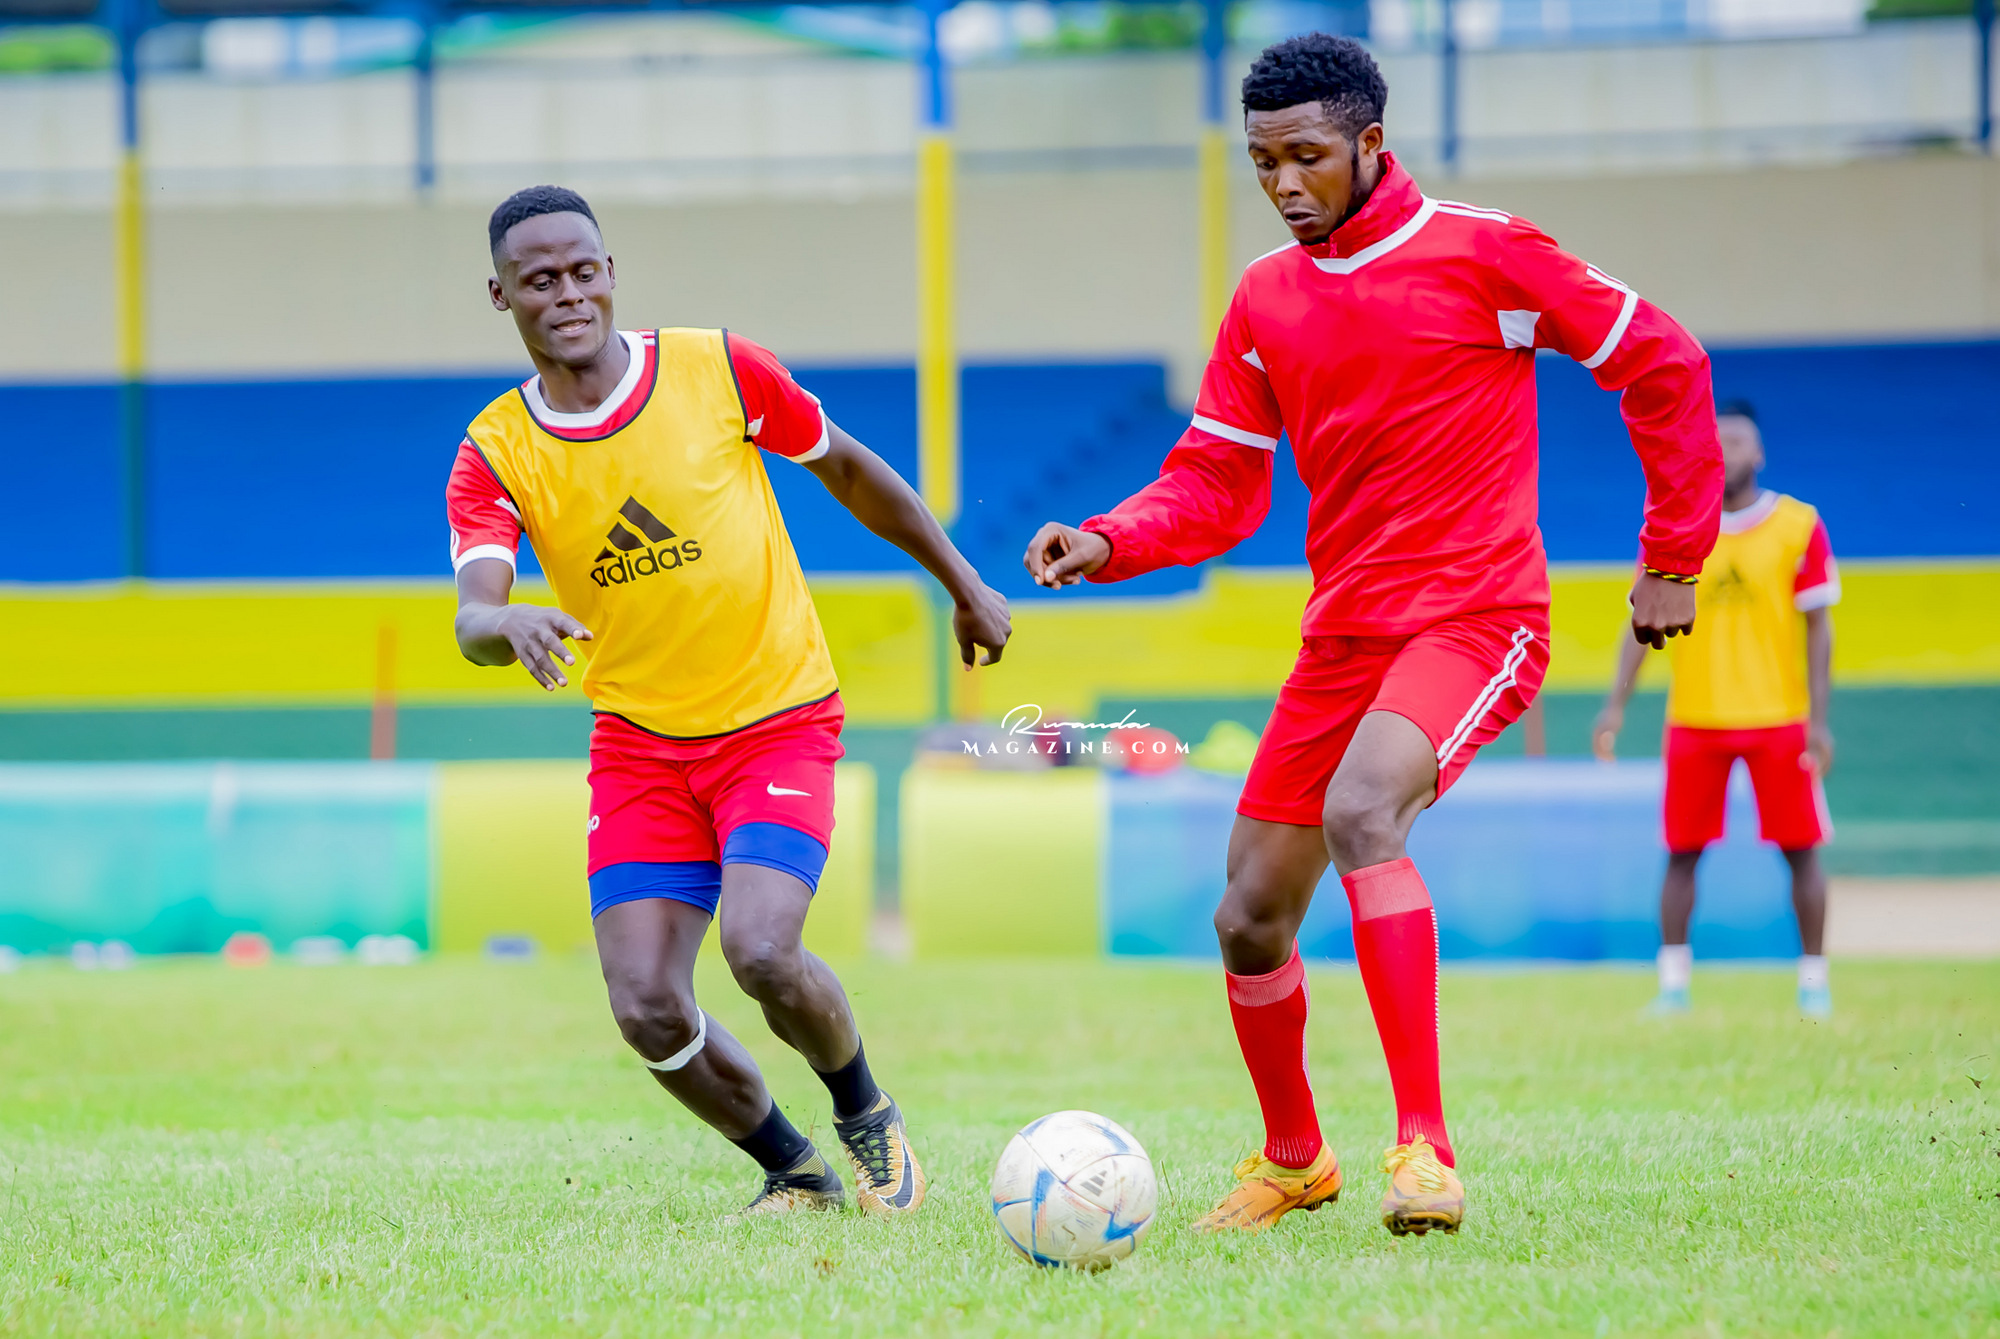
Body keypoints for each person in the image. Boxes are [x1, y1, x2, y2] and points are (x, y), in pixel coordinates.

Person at [1025, 35, 1722, 1236]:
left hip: (1474, 615)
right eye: (1260, 163)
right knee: (1246, 913)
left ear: (1369, 146)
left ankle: (1423, 1152)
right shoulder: (1264, 299)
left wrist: (1670, 557)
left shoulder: (1484, 251)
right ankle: (1295, 1158)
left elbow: (1662, 362)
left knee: (1362, 812)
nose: (1284, 183)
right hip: (1343, 635)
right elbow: (1216, 482)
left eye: (1304, 156)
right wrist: (1107, 539)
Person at [446, 186, 1011, 1216]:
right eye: (540, 280)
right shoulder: (495, 451)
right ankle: (793, 1169)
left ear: (611, 272)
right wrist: (509, 624)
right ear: (501, 295)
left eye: (584, 270)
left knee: (759, 948)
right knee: (647, 1006)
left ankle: (863, 1110)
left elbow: (845, 467)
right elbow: (473, 613)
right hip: (641, 747)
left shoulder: (716, 368)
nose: (568, 293)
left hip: (776, 717)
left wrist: (961, 582)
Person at [1594, 400, 1839, 1018]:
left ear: (1759, 453)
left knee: (1801, 850)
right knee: (1682, 852)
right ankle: (1673, 986)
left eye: (1738, 442)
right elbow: (1639, 619)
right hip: (1695, 720)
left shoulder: (1798, 524)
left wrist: (1818, 717)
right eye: (1717, 441)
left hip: (1779, 718)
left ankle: (1814, 984)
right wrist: (1615, 705)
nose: (1727, 451)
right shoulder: (1676, 528)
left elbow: (1820, 627)